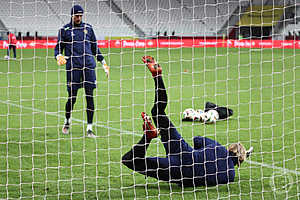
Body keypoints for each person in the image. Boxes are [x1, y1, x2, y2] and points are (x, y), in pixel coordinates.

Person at [122, 56, 253, 187]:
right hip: (180, 173)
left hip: (184, 153)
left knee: (158, 112)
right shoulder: (230, 175)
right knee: (130, 161)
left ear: (230, 148)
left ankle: (158, 77)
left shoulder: (218, 148)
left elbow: (197, 140)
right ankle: (148, 137)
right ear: (239, 161)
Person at [54, 5, 110, 137]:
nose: (79, 18)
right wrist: (58, 56)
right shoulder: (64, 30)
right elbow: (58, 48)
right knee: (72, 98)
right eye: (76, 16)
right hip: (73, 68)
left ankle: (89, 128)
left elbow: (95, 47)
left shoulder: (88, 28)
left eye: (80, 16)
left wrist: (104, 63)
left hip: (89, 67)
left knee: (89, 97)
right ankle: (67, 121)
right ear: (72, 15)